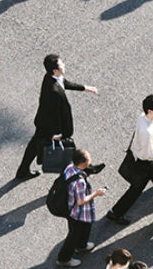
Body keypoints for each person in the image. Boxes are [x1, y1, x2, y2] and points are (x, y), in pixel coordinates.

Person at [16, 53, 99, 181]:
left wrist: (85, 88)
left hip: (42, 122)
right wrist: (56, 133)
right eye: (61, 64)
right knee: (68, 147)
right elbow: (53, 115)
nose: (64, 65)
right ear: (55, 70)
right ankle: (85, 168)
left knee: (34, 146)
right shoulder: (53, 91)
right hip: (50, 126)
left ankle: (22, 171)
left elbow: (64, 83)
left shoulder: (50, 77)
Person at [109, 94, 153, 224]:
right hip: (147, 163)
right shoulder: (146, 132)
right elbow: (148, 155)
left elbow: (152, 127)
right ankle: (116, 213)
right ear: (150, 111)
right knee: (141, 189)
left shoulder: (143, 117)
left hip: (145, 161)